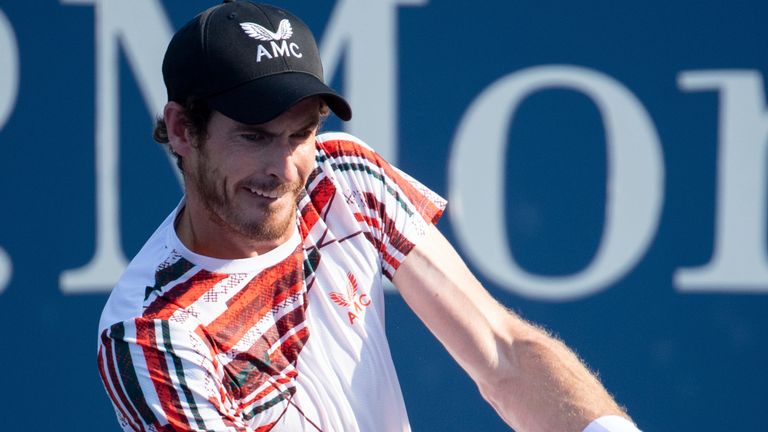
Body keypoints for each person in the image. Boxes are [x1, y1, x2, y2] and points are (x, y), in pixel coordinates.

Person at [97, 1, 641, 431]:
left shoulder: (342, 180)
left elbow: (504, 354)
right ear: (181, 130)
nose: (284, 168)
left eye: (302, 133)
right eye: (254, 137)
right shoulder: (151, 336)